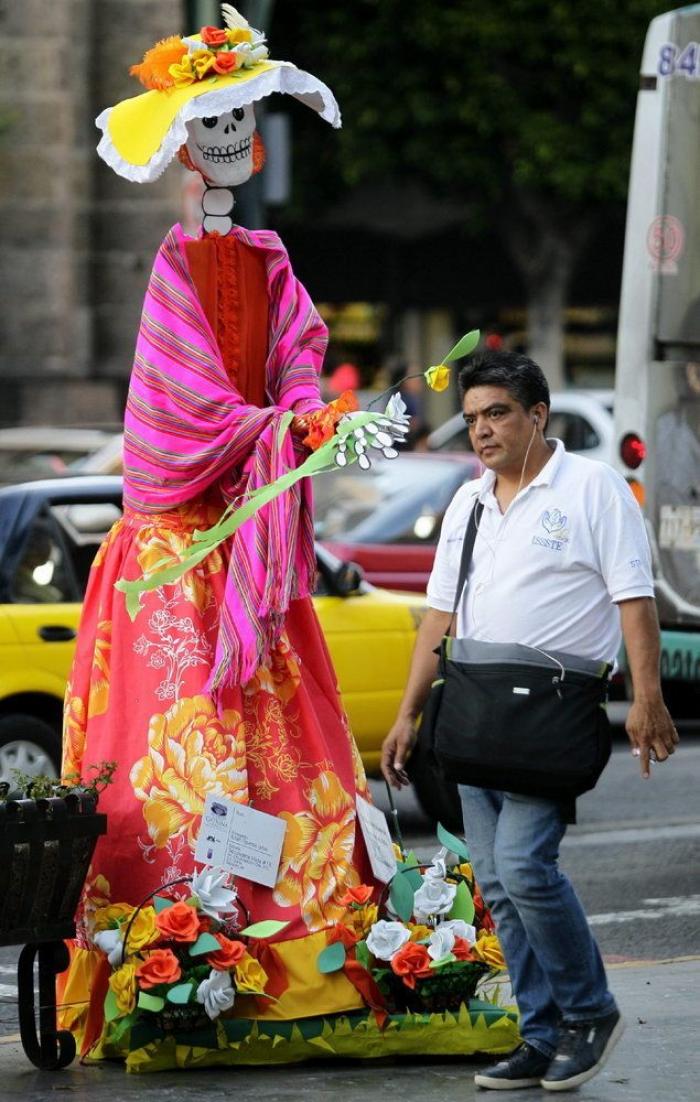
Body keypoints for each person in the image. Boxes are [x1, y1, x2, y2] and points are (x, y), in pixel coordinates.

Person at [59, 10, 376, 1063]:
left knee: (286, 742)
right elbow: (173, 414)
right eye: (216, 122)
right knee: (179, 751)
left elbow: (299, 346)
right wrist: (272, 429)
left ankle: (301, 948)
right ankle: (173, 955)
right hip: (177, 556)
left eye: (244, 118)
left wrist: (308, 411)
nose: (234, 135)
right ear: (189, 147)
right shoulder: (171, 266)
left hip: (248, 545)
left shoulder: (268, 253)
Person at [381, 349, 679, 1092]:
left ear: (537, 415)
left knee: (523, 866)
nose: (482, 430)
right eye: (473, 417)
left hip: (550, 712)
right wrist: (407, 713)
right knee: (493, 878)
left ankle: (590, 1012)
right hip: (473, 708)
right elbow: (438, 617)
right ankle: (540, 1034)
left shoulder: (593, 488)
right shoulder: (468, 502)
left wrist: (647, 699)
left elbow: (635, 600)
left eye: (498, 413)